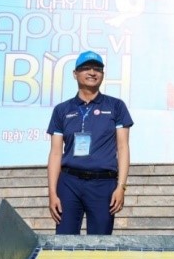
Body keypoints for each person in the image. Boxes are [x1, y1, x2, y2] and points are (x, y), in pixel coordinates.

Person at [47, 51, 132, 235]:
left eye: (97, 69)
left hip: (103, 184)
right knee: (65, 241)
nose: (92, 72)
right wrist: (52, 192)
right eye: (86, 68)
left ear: (102, 74)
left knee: (100, 242)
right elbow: (55, 153)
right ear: (75, 73)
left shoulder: (116, 106)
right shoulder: (62, 110)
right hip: (69, 183)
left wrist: (121, 186)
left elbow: (123, 147)